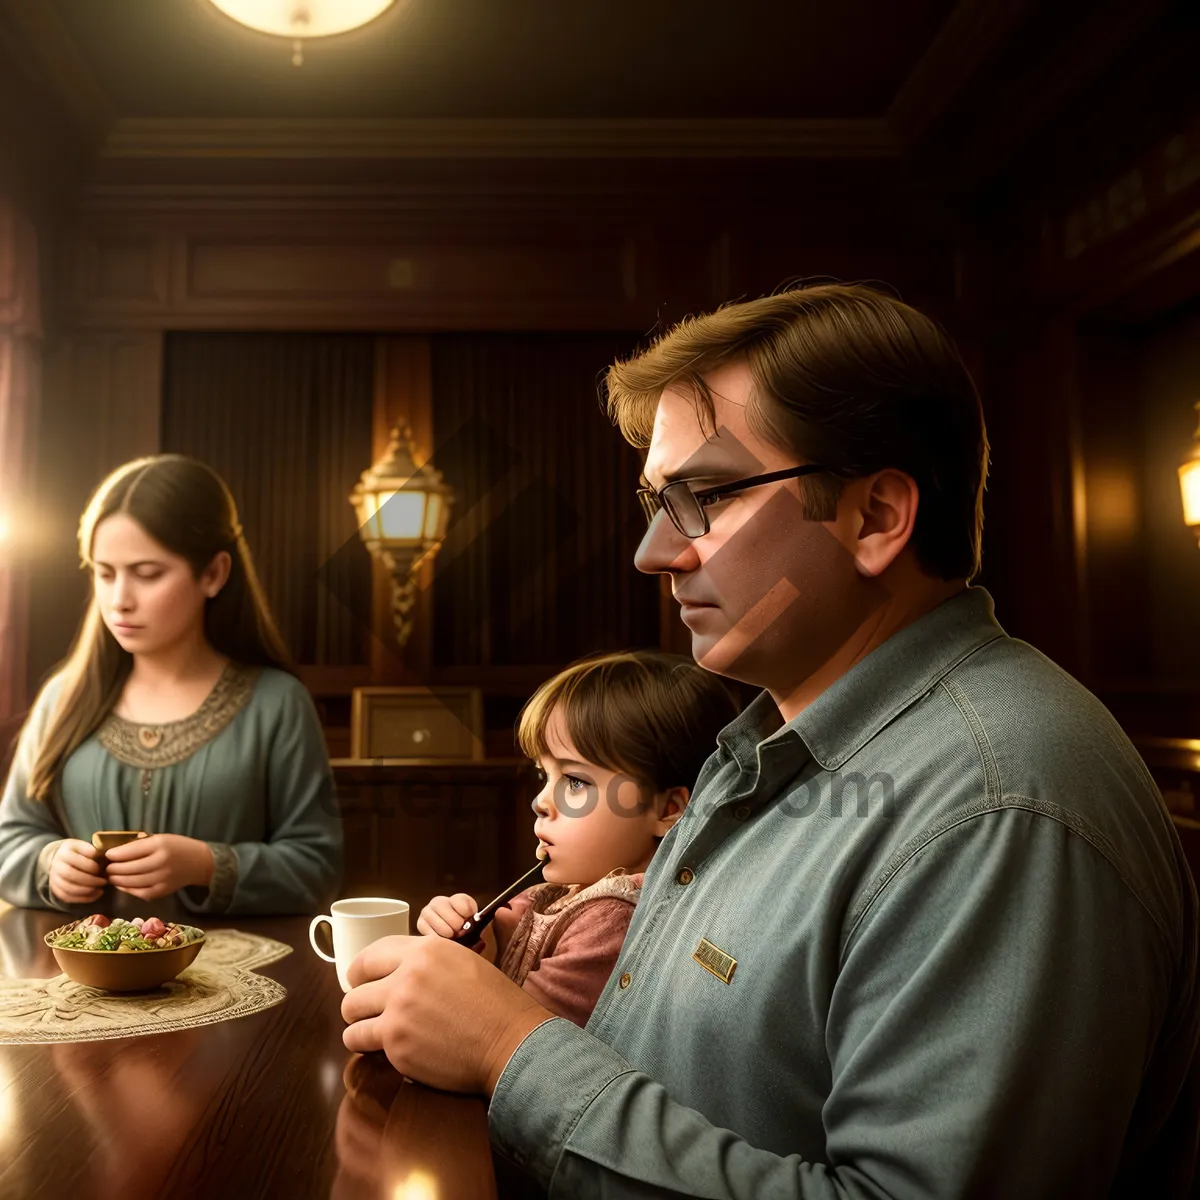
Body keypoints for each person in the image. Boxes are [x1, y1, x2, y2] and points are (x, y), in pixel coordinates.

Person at [340, 283, 1200, 1198]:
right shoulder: (762, 737)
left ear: (874, 518)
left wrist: (508, 1052)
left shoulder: (1001, 807)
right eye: (656, 501)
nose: (653, 552)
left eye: (704, 495)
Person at [0, 454, 343, 919]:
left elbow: (317, 868)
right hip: (80, 984)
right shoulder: (64, 698)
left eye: (147, 574)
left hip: (239, 982)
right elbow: (9, 842)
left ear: (214, 574)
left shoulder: (276, 704)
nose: (119, 600)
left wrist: (206, 864)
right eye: (104, 573)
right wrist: (50, 863)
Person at [418, 650, 739, 1027]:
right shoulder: (560, 893)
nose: (540, 802)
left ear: (667, 809)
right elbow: (499, 947)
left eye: (574, 781)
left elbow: (503, 1037)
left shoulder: (611, 921)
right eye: (544, 775)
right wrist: (473, 935)